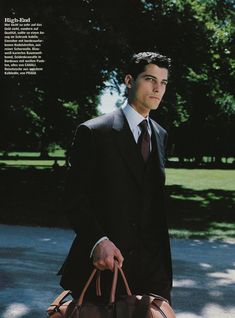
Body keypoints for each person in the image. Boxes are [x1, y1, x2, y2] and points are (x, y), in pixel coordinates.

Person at [58, 51, 173, 303]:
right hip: (106, 267)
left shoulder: (161, 134)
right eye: (150, 79)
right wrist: (98, 240)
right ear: (129, 80)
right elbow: (73, 197)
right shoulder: (94, 132)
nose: (157, 88)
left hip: (154, 273)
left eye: (163, 82)